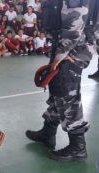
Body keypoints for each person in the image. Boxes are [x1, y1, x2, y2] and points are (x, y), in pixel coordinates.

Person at [26, 0, 99, 161]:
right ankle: (48, 132)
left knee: (66, 92)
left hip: (73, 49)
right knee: (57, 91)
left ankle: (77, 146)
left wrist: (60, 55)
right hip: (70, 45)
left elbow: (75, 23)